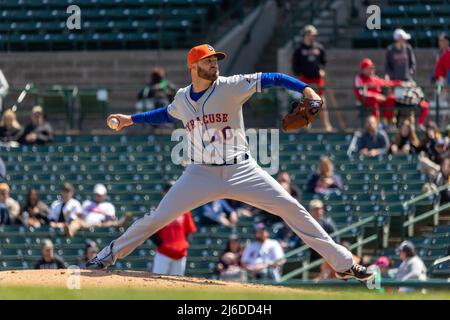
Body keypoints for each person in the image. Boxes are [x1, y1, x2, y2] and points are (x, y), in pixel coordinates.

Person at [88, 43, 374, 282]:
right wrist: (131, 120)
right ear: (193, 66)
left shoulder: (230, 86)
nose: (214, 64)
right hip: (200, 173)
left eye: (215, 60)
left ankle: (344, 263)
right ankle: (105, 257)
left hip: (242, 169)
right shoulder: (182, 97)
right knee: (158, 217)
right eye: (208, 61)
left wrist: (305, 90)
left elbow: (272, 77)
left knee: (292, 208)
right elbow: (167, 113)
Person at [291, 25, 332, 131]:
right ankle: (307, 126)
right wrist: (300, 74)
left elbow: (324, 62)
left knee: (322, 102)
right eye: (311, 35)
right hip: (305, 79)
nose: (313, 37)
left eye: (314, 35)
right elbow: (295, 67)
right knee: (306, 103)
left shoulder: (319, 48)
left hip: (318, 79)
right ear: (306, 35)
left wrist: (322, 70)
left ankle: (327, 125)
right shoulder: (299, 50)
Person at [150, 182, 197, 276]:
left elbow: (188, 230)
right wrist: (162, 245)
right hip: (163, 254)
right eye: (168, 191)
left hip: (180, 254)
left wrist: (184, 245)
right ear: (164, 193)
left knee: (176, 285)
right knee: (157, 283)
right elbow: (151, 232)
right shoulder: (159, 209)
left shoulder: (184, 209)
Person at [65, 184, 131, 237]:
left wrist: (99, 223)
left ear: (104, 195)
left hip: (102, 224)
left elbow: (109, 219)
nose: (98, 196)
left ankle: (121, 222)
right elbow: (81, 216)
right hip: (86, 224)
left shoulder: (108, 206)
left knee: (111, 223)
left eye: (100, 195)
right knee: (76, 222)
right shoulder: (87, 203)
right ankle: (70, 231)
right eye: (97, 194)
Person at [354, 58, 403, 122]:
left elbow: (386, 83)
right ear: (363, 69)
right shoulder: (359, 78)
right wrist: (375, 96)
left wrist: (400, 83)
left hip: (380, 99)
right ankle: (376, 123)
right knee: (374, 100)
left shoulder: (374, 78)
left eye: (371, 68)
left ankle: (389, 122)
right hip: (367, 100)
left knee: (392, 97)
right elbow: (360, 92)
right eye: (368, 68)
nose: (371, 70)